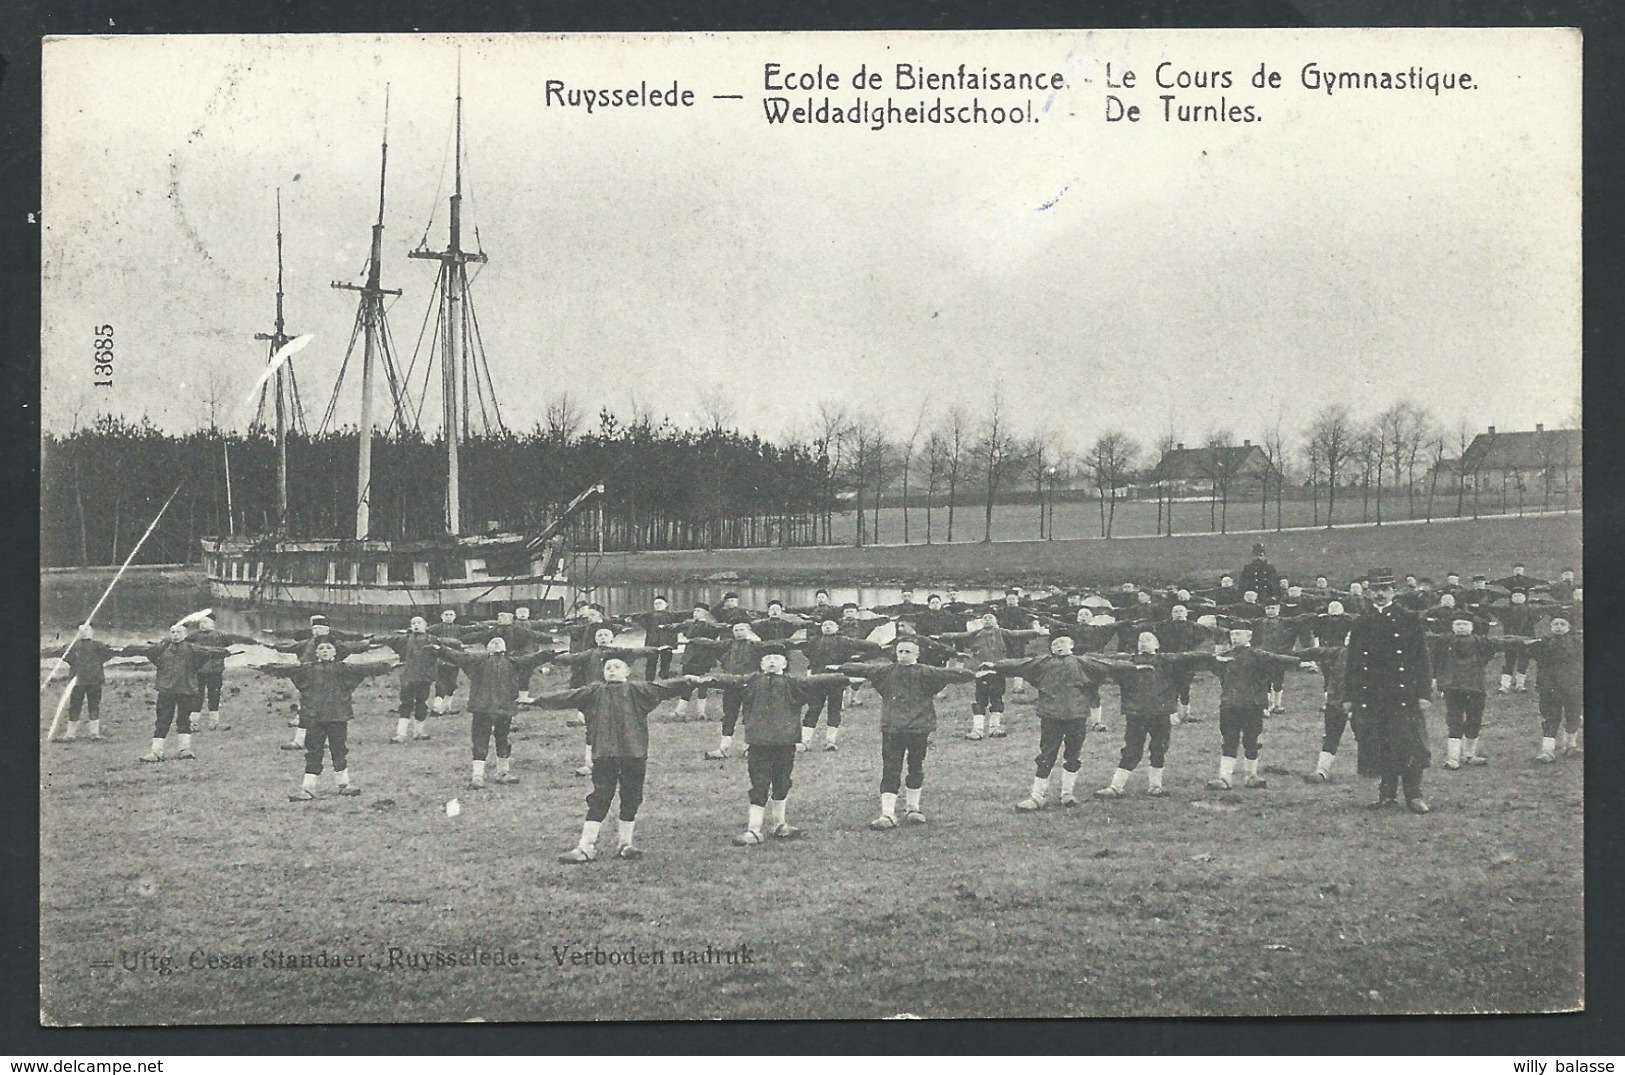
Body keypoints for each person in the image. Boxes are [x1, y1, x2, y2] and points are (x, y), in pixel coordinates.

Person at [525, 659, 701, 862]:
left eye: (617, 667)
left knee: (632, 797)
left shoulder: (638, 689)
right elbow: (568, 696)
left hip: (633, 752)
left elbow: (664, 686)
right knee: (600, 797)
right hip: (604, 753)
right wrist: (538, 700)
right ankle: (586, 847)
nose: (612, 670)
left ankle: (625, 844)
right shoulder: (594, 692)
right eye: (607, 668)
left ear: (627, 671)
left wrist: (688, 681)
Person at [836, 641, 988, 828]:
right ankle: (887, 813)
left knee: (915, 766)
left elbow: (951, 674)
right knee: (890, 769)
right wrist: (840, 667)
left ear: (917, 654)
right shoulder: (886, 671)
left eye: (908, 651)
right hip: (892, 728)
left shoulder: (926, 672)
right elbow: (863, 669)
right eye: (900, 651)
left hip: (918, 728)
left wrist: (973, 674)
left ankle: (913, 809)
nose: (903, 655)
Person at [703, 651, 849, 846]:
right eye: (768, 659)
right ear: (761, 664)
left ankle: (780, 824)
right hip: (758, 743)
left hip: (785, 742)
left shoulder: (793, 682)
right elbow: (730, 680)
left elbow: (817, 680)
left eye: (776, 659)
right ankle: (754, 830)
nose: (772, 662)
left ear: (784, 664)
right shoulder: (752, 680)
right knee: (759, 785)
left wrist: (845, 675)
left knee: (782, 783)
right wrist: (707, 679)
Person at [987, 634, 1130, 811]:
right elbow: (1019, 664)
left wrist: (1135, 667)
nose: (1059, 646)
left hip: (1076, 717)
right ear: (1051, 649)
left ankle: (1067, 794)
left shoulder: (1083, 662)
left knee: (1073, 755)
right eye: (1055, 644)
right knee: (1046, 756)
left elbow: (1109, 665)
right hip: (1051, 717)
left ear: (1072, 646)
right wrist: (994, 665)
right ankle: (1037, 797)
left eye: (1063, 643)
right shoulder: (1043, 663)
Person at [252, 641, 396, 801]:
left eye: (329, 648)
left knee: (339, 749)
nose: (325, 651)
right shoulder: (308, 668)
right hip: (315, 717)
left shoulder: (344, 668)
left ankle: (344, 785)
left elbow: (368, 668)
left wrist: (389, 666)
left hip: (338, 716)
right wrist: (264, 667)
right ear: (316, 653)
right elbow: (286, 669)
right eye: (321, 648)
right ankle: (308, 788)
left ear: (335, 652)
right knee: (313, 751)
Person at [1344, 568, 1435, 813]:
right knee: (1380, 743)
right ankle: (1387, 794)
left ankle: (1414, 794)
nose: (1379, 595)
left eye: (1384, 590)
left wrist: (1424, 693)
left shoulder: (1408, 618)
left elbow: (1422, 659)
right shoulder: (1362, 622)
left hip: (1403, 693)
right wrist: (1349, 697)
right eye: (1374, 590)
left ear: (1393, 591)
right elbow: (1352, 662)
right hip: (1372, 693)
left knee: (1409, 743)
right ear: (1368, 593)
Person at [425, 636, 558, 789]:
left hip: (504, 709)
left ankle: (503, 772)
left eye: (500, 642)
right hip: (482, 708)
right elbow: (457, 656)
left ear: (505, 648)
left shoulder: (513, 662)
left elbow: (533, 658)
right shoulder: (477, 660)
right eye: (493, 642)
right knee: (480, 741)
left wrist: (551, 653)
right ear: (487, 648)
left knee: (503, 739)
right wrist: (440, 649)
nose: (496, 642)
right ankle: (477, 777)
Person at [1093, 633, 1214, 798]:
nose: (1143, 643)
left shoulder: (1167, 661)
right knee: (1131, 750)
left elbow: (1190, 657)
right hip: (1136, 714)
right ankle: (1115, 787)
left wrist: (1213, 657)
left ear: (1157, 645)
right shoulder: (1128, 662)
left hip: (1161, 714)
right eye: (1140, 640)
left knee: (1159, 748)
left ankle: (1155, 786)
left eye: (1148, 640)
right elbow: (1104, 662)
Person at [1192, 627, 1302, 791]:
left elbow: (1279, 661)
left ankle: (1251, 776)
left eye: (1238, 634)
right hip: (1229, 705)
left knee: (1251, 741)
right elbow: (1212, 668)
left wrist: (1301, 661)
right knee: (1229, 740)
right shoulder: (1224, 657)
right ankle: (1224, 778)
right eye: (1232, 634)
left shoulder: (1259, 655)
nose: (1234, 638)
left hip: (1252, 706)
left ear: (1249, 636)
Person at [551, 628, 668, 776]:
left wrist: (655, 650)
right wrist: (553, 658)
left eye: (606, 635)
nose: (602, 637)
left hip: (617, 695)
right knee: (591, 728)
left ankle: (622, 761)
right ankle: (590, 763)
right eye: (599, 635)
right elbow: (573, 658)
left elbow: (636, 652)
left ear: (612, 638)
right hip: (595, 696)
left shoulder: (617, 652)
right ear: (595, 639)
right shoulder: (590, 653)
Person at [121, 625, 235, 763]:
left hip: (186, 690)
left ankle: (184, 750)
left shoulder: (192, 649)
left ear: (184, 634)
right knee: (162, 720)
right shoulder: (162, 648)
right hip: (166, 690)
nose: (175, 635)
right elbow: (146, 650)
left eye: (178, 632)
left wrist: (226, 652)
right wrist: (123, 650)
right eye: (172, 632)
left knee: (184, 719)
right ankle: (156, 752)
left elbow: (209, 651)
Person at [928, 611, 1047, 740]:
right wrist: (941, 637)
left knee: (997, 698)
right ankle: (977, 729)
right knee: (980, 699)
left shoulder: (1002, 632)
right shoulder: (976, 633)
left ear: (996, 621)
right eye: (984, 618)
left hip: (998, 670)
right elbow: (959, 635)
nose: (987, 620)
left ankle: (995, 727)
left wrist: (1036, 632)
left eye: (990, 618)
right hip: (982, 670)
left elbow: (1018, 634)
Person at [1427, 616, 1519, 770]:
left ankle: (1469, 754)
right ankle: (1453, 758)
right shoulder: (1444, 641)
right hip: (1453, 687)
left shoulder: (1480, 641)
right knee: (1454, 720)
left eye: (1465, 624)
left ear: (1471, 627)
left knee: (1474, 719)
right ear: (1452, 627)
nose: (1461, 627)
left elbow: (1498, 646)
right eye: (1457, 624)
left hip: (1475, 687)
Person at [784, 619, 885, 752]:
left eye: (831, 625)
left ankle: (830, 741)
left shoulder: (843, 641)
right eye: (825, 625)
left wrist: (878, 646)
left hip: (837, 680)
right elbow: (803, 648)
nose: (827, 627)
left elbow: (860, 644)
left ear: (837, 628)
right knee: (813, 708)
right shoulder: (814, 641)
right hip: (817, 680)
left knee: (834, 708)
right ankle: (805, 741)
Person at [1502, 616, 1583, 762]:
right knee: (1550, 718)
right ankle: (1547, 750)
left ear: (1569, 627)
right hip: (1549, 688)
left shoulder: (1578, 643)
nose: (1559, 627)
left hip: (1573, 687)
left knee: (1574, 716)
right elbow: (1520, 646)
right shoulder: (1543, 643)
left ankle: (1570, 745)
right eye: (1555, 624)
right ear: (1550, 627)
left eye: (1562, 624)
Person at [176, 614, 259, 732]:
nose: (202, 625)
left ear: (212, 624)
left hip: (216, 671)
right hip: (198, 671)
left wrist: (252, 641)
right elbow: (179, 642)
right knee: (196, 697)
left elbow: (237, 638)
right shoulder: (194, 636)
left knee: (214, 696)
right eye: (200, 623)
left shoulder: (219, 636)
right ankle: (194, 724)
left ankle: (214, 723)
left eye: (205, 622)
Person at [41, 623, 119, 742]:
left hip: (85, 681)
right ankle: (85, 734)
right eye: (83, 629)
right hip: (84, 681)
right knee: (89, 706)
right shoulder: (85, 646)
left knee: (79, 706)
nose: (85, 631)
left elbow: (60, 654)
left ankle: (84, 734)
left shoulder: (84, 646)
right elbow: (109, 654)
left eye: (87, 629)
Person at [1294, 638, 1353, 784]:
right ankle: (1322, 770)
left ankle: (1376, 770)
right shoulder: (1338, 653)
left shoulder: (1374, 657)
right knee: (1331, 736)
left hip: (1362, 704)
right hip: (1336, 701)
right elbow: (1314, 652)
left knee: (1370, 736)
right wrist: (1290, 655)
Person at [379, 616, 446, 743]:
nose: (416, 625)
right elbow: (386, 640)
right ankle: (400, 734)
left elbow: (444, 650)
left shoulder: (432, 640)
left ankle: (419, 732)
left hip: (424, 678)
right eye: (413, 623)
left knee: (422, 703)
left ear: (426, 626)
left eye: (419, 623)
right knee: (406, 704)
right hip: (408, 678)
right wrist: (369, 640)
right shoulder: (403, 640)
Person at [672, 604, 724, 721]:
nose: (695, 613)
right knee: (686, 684)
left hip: (704, 658)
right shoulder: (689, 624)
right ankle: (680, 711)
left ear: (705, 613)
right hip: (689, 658)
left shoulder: (710, 626)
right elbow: (683, 633)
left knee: (703, 685)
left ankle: (701, 712)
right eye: (695, 611)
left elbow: (714, 638)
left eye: (699, 611)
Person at [628, 596, 683, 681]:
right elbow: (640, 622)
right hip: (652, 642)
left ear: (666, 605)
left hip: (667, 642)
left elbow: (683, 621)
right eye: (655, 604)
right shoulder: (649, 616)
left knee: (666, 664)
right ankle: (649, 683)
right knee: (650, 664)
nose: (657, 605)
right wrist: (631, 620)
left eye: (660, 603)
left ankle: (664, 682)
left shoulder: (672, 615)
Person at [1496, 590, 1540, 692]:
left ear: (1525, 598)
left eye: (1520, 595)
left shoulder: (1530, 610)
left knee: (1523, 661)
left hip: (1526, 638)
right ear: (1511, 599)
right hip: (1510, 639)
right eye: (1514, 595)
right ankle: (1505, 685)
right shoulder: (1506, 610)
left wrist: (1532, 639)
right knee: (1509, 660)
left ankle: (1520, 684)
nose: (1517, 597)